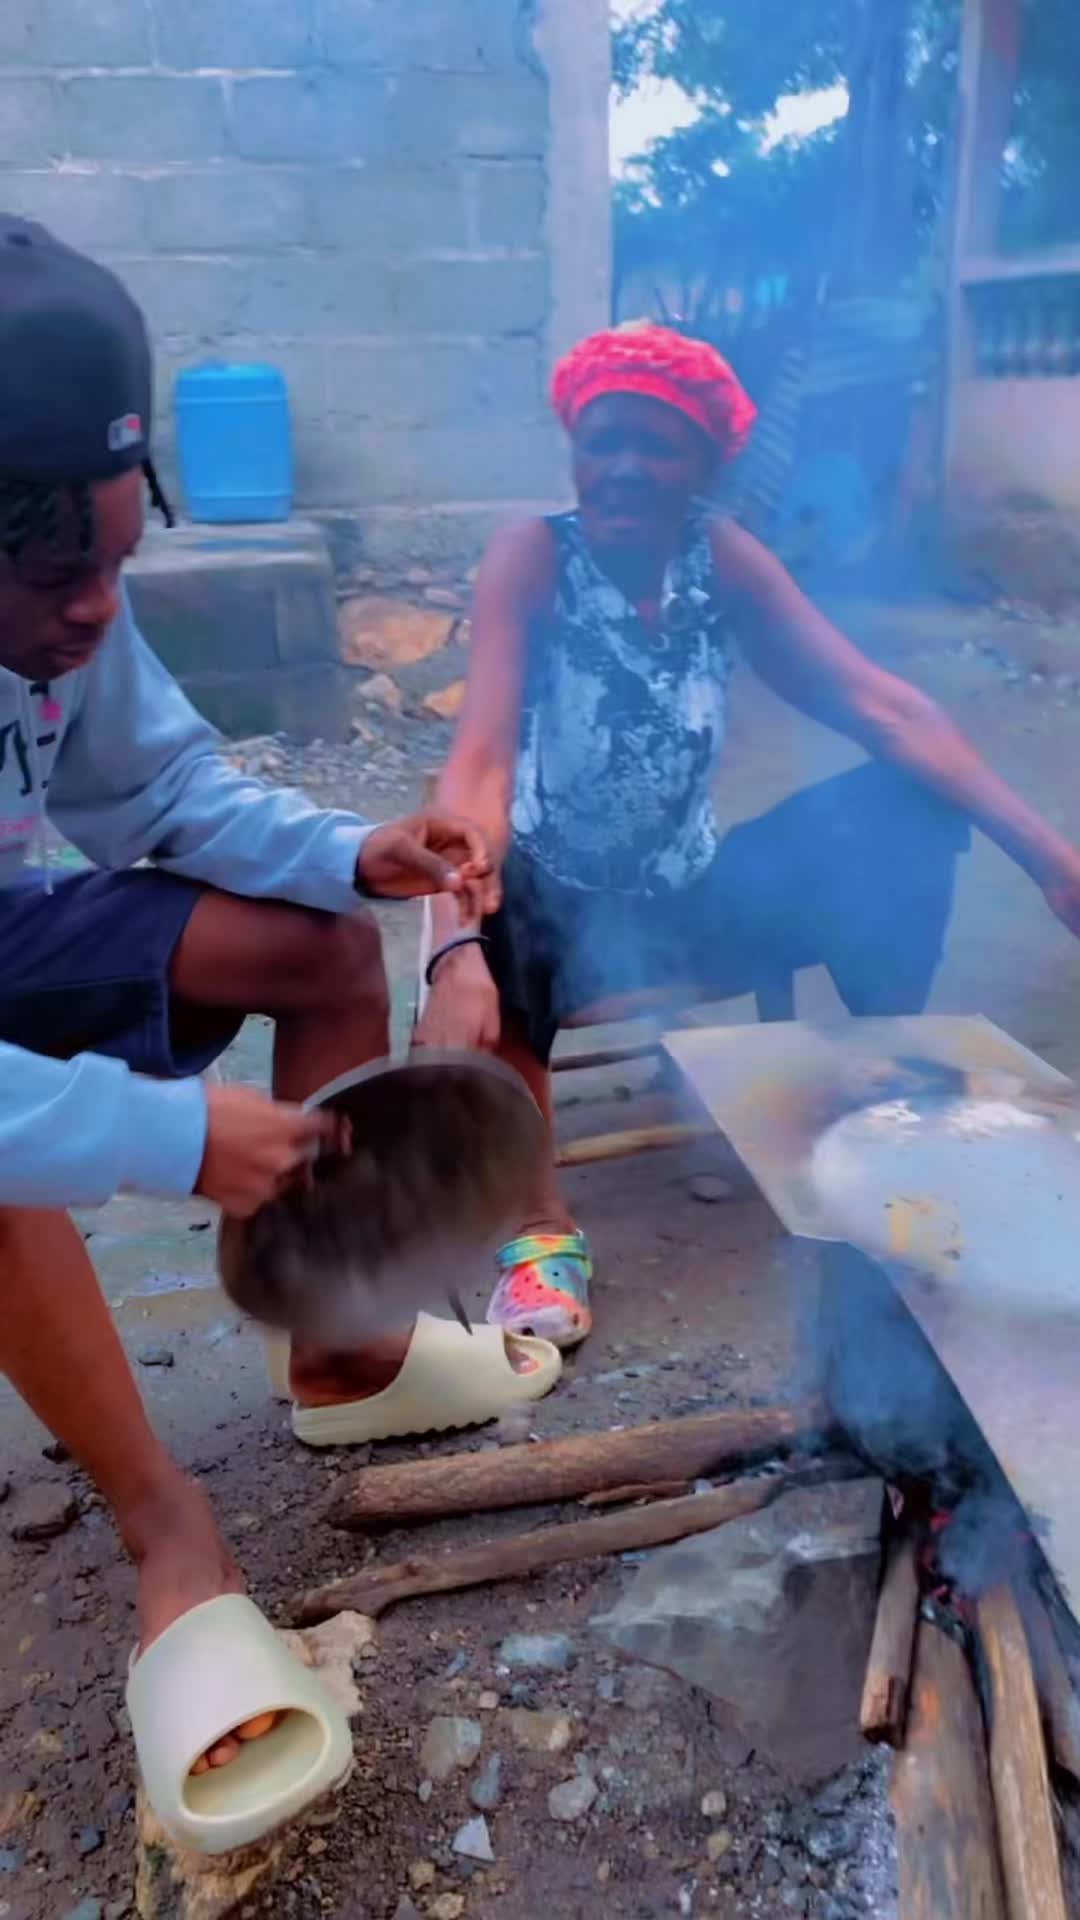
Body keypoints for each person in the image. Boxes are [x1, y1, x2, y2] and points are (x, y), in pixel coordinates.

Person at [0, 214, 515, 1815]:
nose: (97, 612)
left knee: (318, 946)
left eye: (116, 564)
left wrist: (352, 852)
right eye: (57, 577)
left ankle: (343, 1352)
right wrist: (163, 1134)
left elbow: (155, 785)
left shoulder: (69, 614)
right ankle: (170, 1530)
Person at [417, 320, 1080, 1349]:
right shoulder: (535, 557)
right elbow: (482, 764)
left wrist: (1052, 862)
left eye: (656, 446)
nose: (623, 468)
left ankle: (893, 1102)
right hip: (558, 897)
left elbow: (886, 709)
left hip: (688, 894)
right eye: (603, 441)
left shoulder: (721, 560)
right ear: (574, 450)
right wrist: (454, 941)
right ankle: (539, 1226)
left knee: (902, 805)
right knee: (506, 905)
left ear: (705, 467)